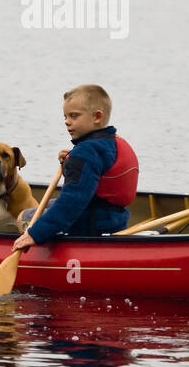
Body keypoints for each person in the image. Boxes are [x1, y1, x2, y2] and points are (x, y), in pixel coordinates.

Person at [11, 84, 139, 249]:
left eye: (74, 116)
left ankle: (32, 245)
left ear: (97, 117)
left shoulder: (84, 153)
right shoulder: (110, 143)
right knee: (46, 205)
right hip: (115, 221)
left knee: (24, 216)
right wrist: (70, 160)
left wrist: (36, 233)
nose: (67, 122)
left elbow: (73, 200)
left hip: (88, 225)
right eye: (65, 117)